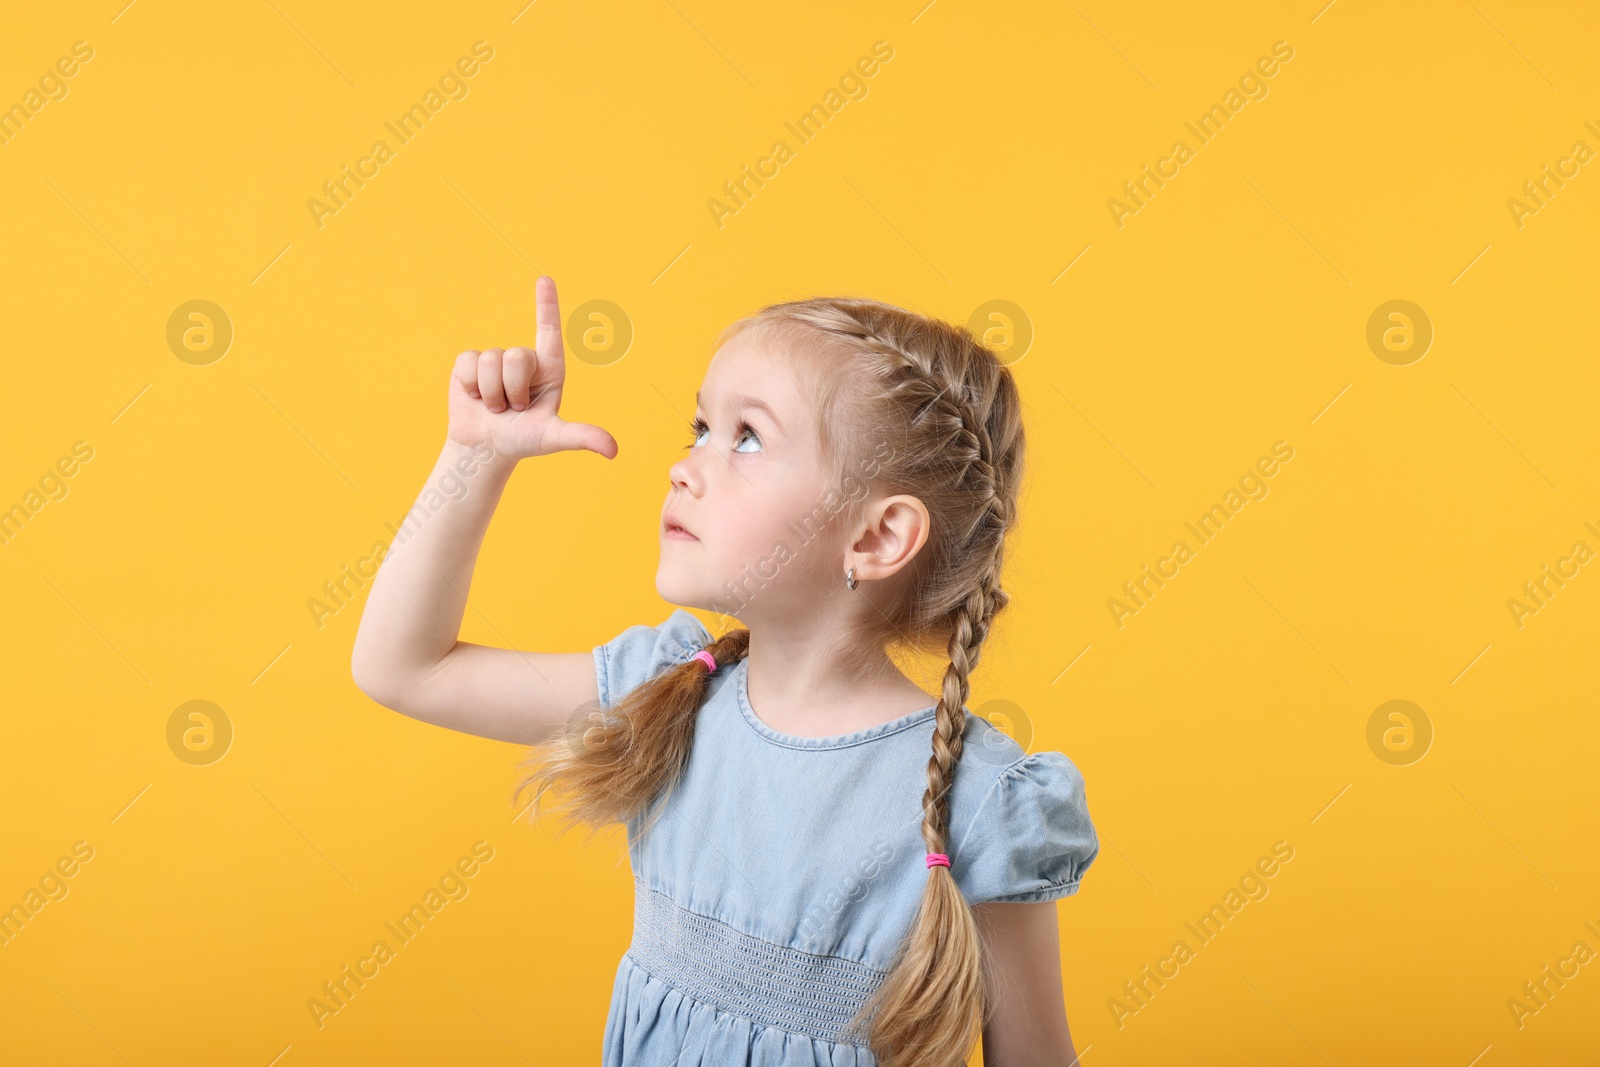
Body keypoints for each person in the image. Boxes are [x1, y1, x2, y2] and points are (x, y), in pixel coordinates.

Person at [351, 276, 1100, 1066]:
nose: (686, 466)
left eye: (746, 438)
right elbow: (405, 667)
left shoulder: (976, 804)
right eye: (700, 426)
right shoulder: (670, 689)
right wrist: (475, 456)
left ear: (878, 538)